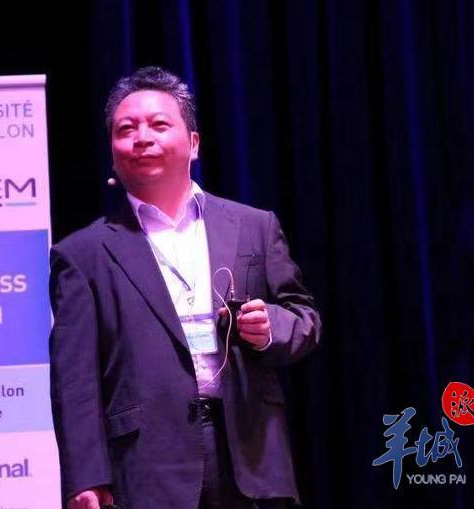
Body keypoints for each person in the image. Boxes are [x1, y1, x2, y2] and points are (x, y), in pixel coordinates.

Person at [49, 66, 321, 509]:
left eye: (159, 124)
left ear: (193, 143)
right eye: (126, 129)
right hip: (147, 466)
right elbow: (74, 380)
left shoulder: (253, 226)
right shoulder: (83, 254)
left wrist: (270, 326)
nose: (142, 138)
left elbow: (304, 319)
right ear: (113, 153)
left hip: (251, 456)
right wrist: (86, 476)